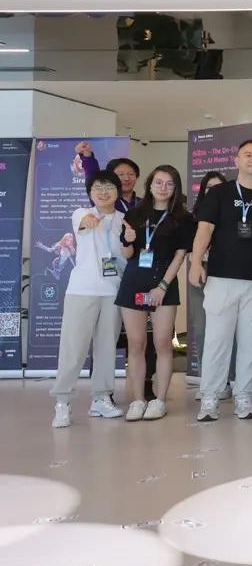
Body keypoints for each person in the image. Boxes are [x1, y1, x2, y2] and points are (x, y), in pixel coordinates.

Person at [190, 140, 252, 422]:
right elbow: (204, 229)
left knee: (251, 342)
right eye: (248, 155)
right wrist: (196, 262)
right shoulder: (219, 193)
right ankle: (210, 398)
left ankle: (244, 397)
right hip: (222, 277)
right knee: (217, 341)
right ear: (236, 160)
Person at [50, 171, 127, 427]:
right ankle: (62, 401)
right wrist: (89, 220)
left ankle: (101, 398)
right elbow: (83, 223)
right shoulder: (81, 213)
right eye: (98, 187)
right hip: (82, 290)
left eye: (109, 187)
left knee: (106, 348)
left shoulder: (124, 220)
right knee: (73, 349)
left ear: (118, 191)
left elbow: (126, 255)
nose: (104, 192)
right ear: (90, 192)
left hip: (112, 291)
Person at [117, 165, 194, 421]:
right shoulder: (134, 214)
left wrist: (162, 286)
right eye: (158, 182)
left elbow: (180, 255)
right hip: (134, 281)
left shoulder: (183, 218)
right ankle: (138, 399)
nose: (163, 187)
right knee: (136, 344)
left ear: (176, 188)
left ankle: (159, 400)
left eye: (169, 184)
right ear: (150, 184)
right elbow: (128, 254)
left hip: (164, 284)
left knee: (162, 343)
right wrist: (127, 240)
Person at [185, 171, 225, 392]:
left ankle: (226, 380)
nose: (214, 191)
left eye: (219, 187)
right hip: (200, 270)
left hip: (225, 272)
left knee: (225, 328)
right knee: (201, 328)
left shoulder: (232, 213)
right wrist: (197, 263)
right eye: (209, 187)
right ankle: (207, 380)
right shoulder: (194, 216)